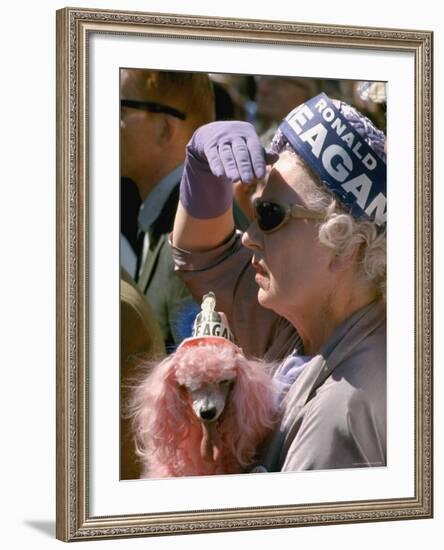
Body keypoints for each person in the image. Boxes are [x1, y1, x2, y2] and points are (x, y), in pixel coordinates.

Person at [171, 92, 387, 472]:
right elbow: (205, 261)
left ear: (346, 245)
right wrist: (203, 172)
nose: (247, 235)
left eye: (270, 215)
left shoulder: (339, 411)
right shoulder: (304, 329)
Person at [120, 69, 216, 350]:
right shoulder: (169, 217)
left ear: (165, 129)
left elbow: (203, 379)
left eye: (121, 108)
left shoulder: (198, 235)